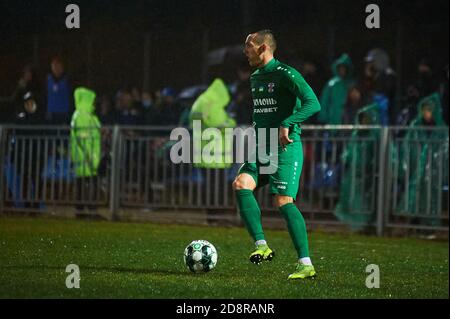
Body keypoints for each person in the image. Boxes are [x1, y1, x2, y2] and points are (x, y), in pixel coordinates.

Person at [233, 30, 321, 280]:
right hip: (262, 147)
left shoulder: (286, 74)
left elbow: (313, 102)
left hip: (285, 148)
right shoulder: (256, 76)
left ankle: (306, 264)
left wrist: (288, 122)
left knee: (283, 202)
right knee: (241, 184)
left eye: (249, 45)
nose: (245, 50)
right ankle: (261, 245)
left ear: (263, 48)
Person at [70, 87, 102, 215]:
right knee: (88, 183)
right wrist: (91, 156)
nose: (95, 102)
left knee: (83, 182)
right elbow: (85, 138)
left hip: (85, 155)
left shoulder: (85, 114)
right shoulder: (83, 115)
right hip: (86, 155)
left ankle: (82, 210)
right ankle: (88, 210)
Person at [318, 53, 355, 125]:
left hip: (348, 115)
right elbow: (325, 100)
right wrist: (323, 116)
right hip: (333, 116)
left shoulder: (352, 84)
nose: (342, 70)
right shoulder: (331, 84)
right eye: (340, 68)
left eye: (344, 68)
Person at [46, 57, 72, 125]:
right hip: (51, 112)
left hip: (63, 112)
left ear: (62, 67)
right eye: (53, 66)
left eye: (58, 66)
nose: (56, 68)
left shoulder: (67, 79)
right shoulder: (48, 79)